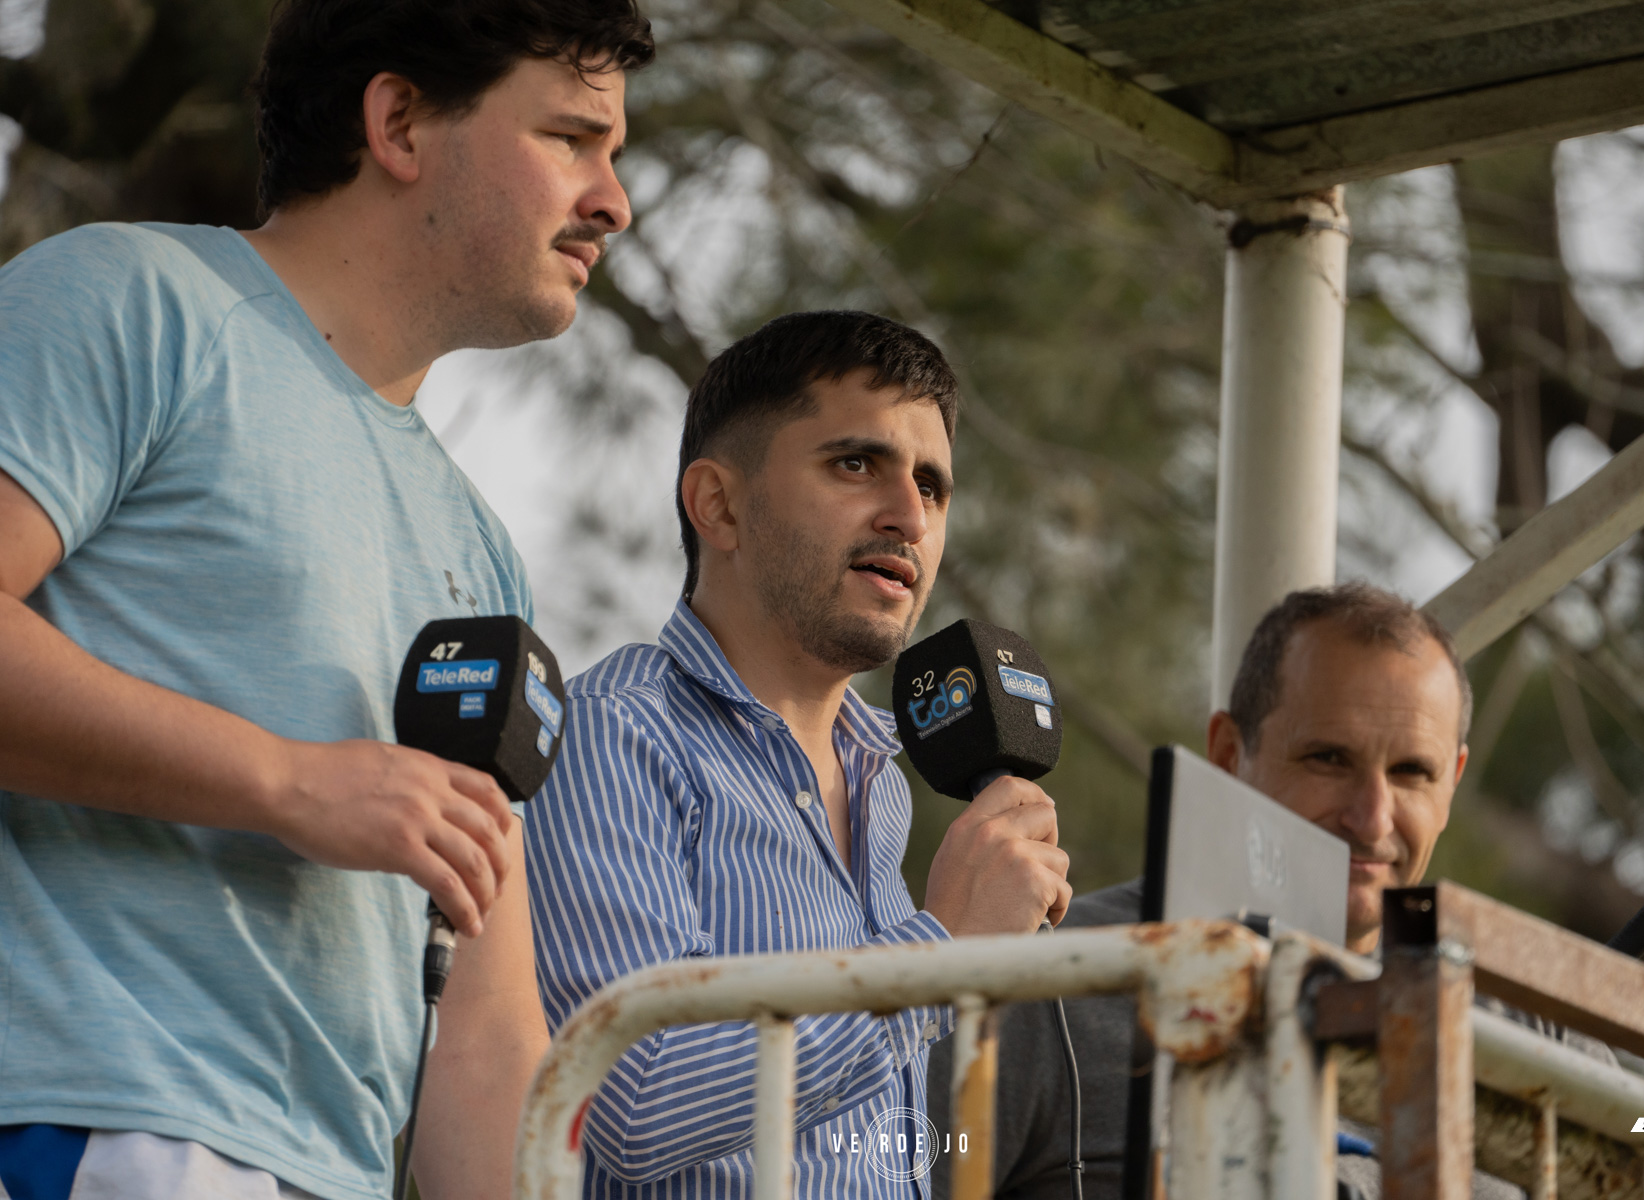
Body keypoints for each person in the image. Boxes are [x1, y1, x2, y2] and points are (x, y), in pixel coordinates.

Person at [0, 3, 652, 1198]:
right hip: (101, 1125)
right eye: (571, 137)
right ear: (399, 122)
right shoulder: (132, 298)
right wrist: (287, 781)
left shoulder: (480, 550)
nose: (614, 201)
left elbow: (486, 1024)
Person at [526, 310, 1073, 1198]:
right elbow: (625, 1098)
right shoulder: (610, 734)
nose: (909, 517)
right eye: (855, 464)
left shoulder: (885, 778)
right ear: (719, 504)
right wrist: (940, 956)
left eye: (932, 487)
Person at [928, 583, 1584, 1200]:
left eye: (1412, 771)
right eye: (1330, 759)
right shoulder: (1050, 986)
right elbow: (883, 1163)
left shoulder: (1525, 1015)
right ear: (1227, 754)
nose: (1373, 817)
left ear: (1453, 782)